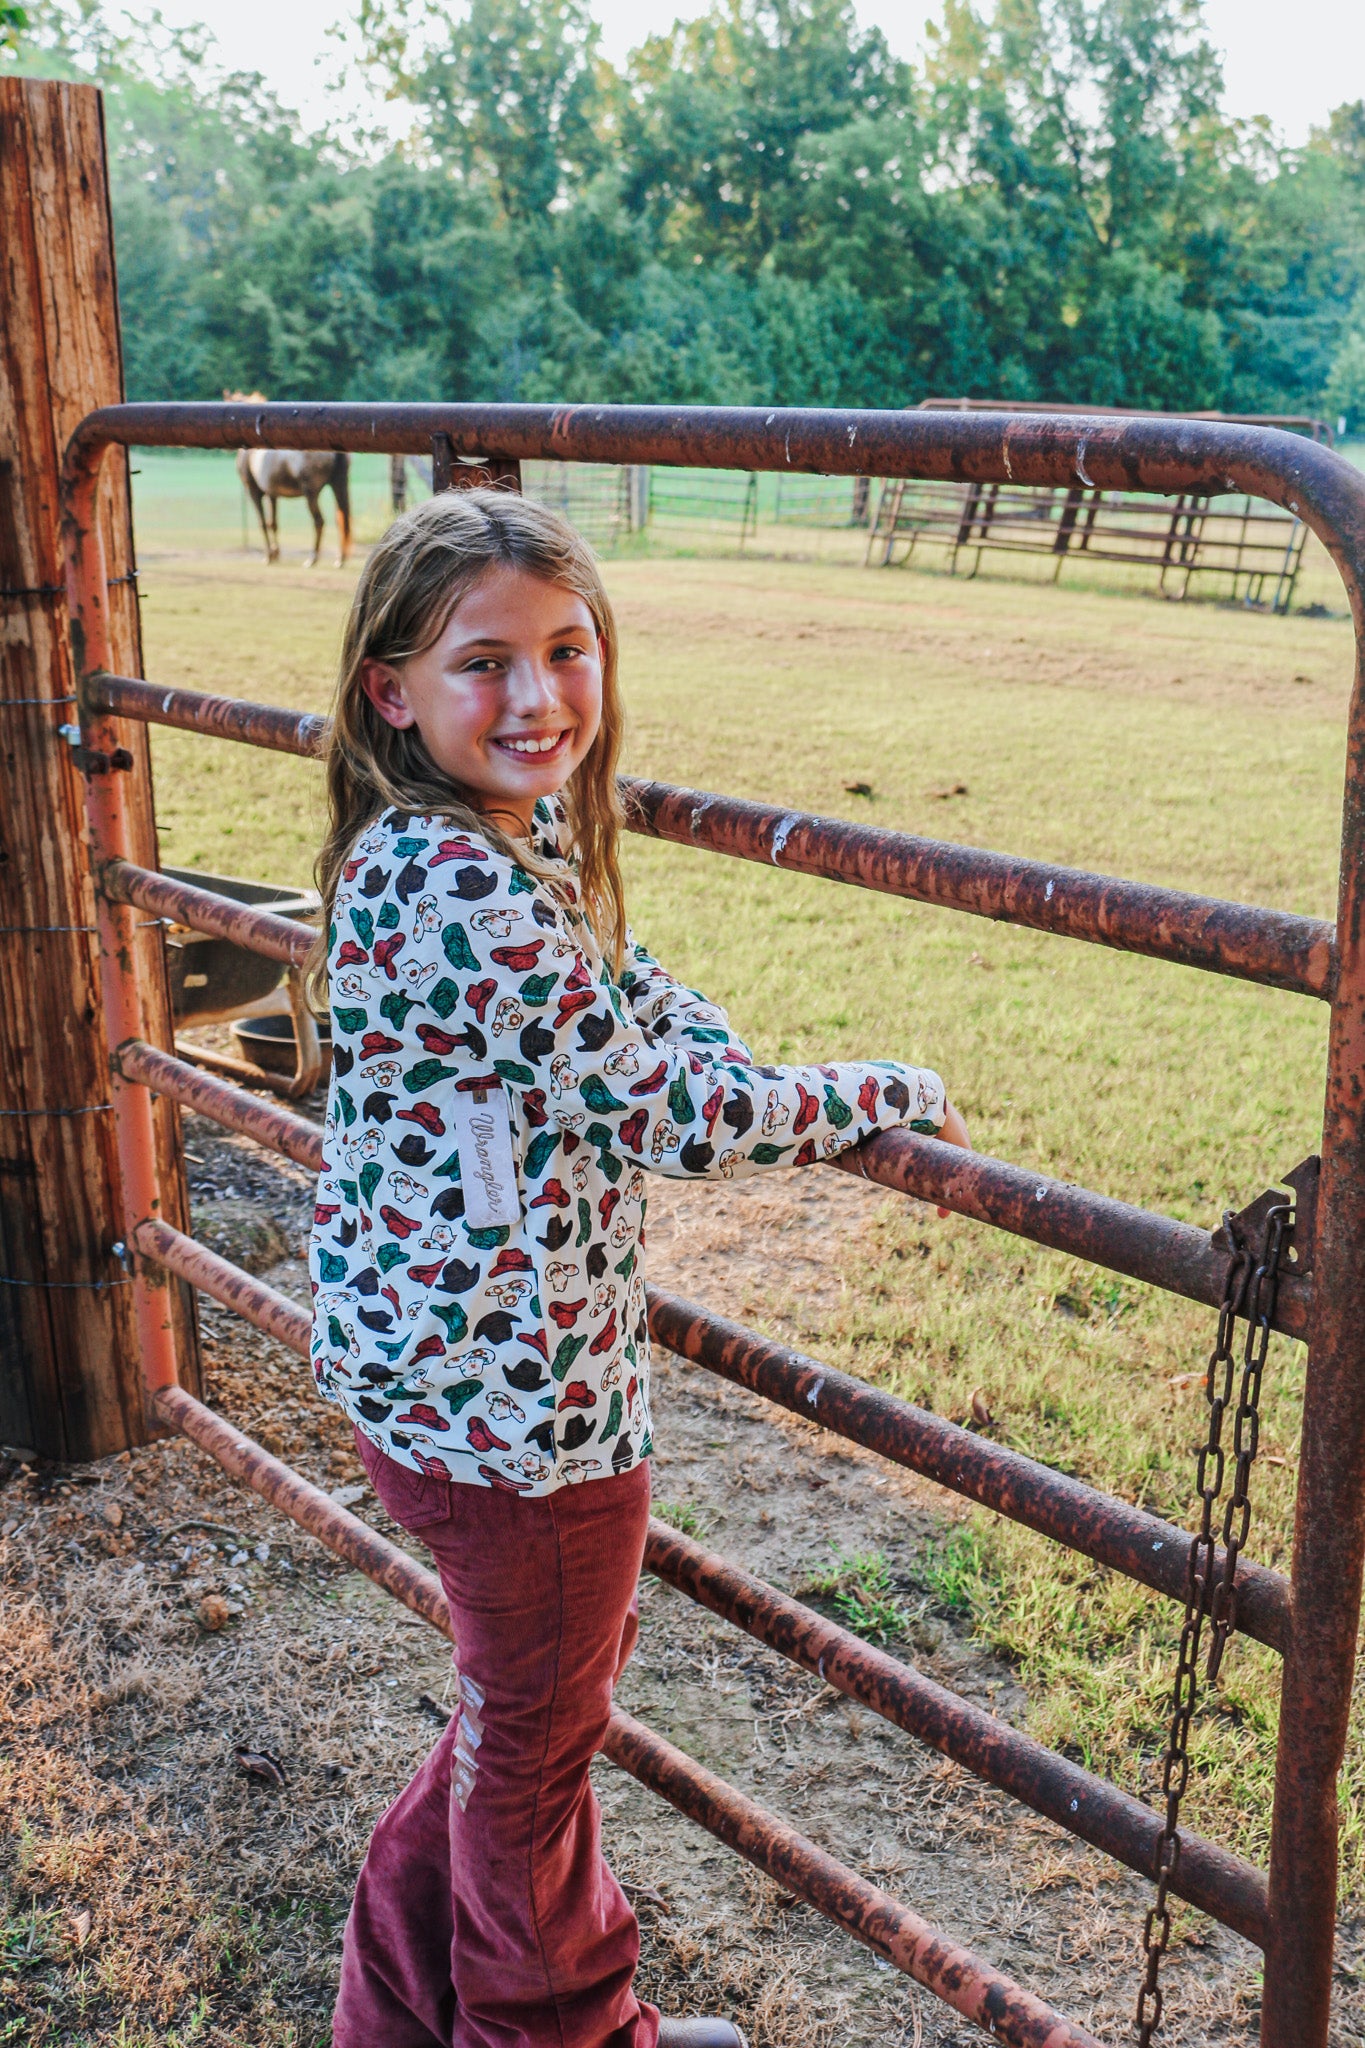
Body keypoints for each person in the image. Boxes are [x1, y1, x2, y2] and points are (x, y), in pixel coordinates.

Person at [307, 488, 970, 2048]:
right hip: (517, 1416)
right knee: (533, 1745)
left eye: (566, 648)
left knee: (510, 1727)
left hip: (452, 1391)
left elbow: (631, 992)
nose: (536, 698)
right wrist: (881, 1089)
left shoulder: (459, 851)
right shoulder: (464, 883)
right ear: (390, 691)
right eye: (483, 663)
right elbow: (666, 1101)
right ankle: (561, 2036)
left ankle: (397, 2014)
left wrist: (684, 1030)